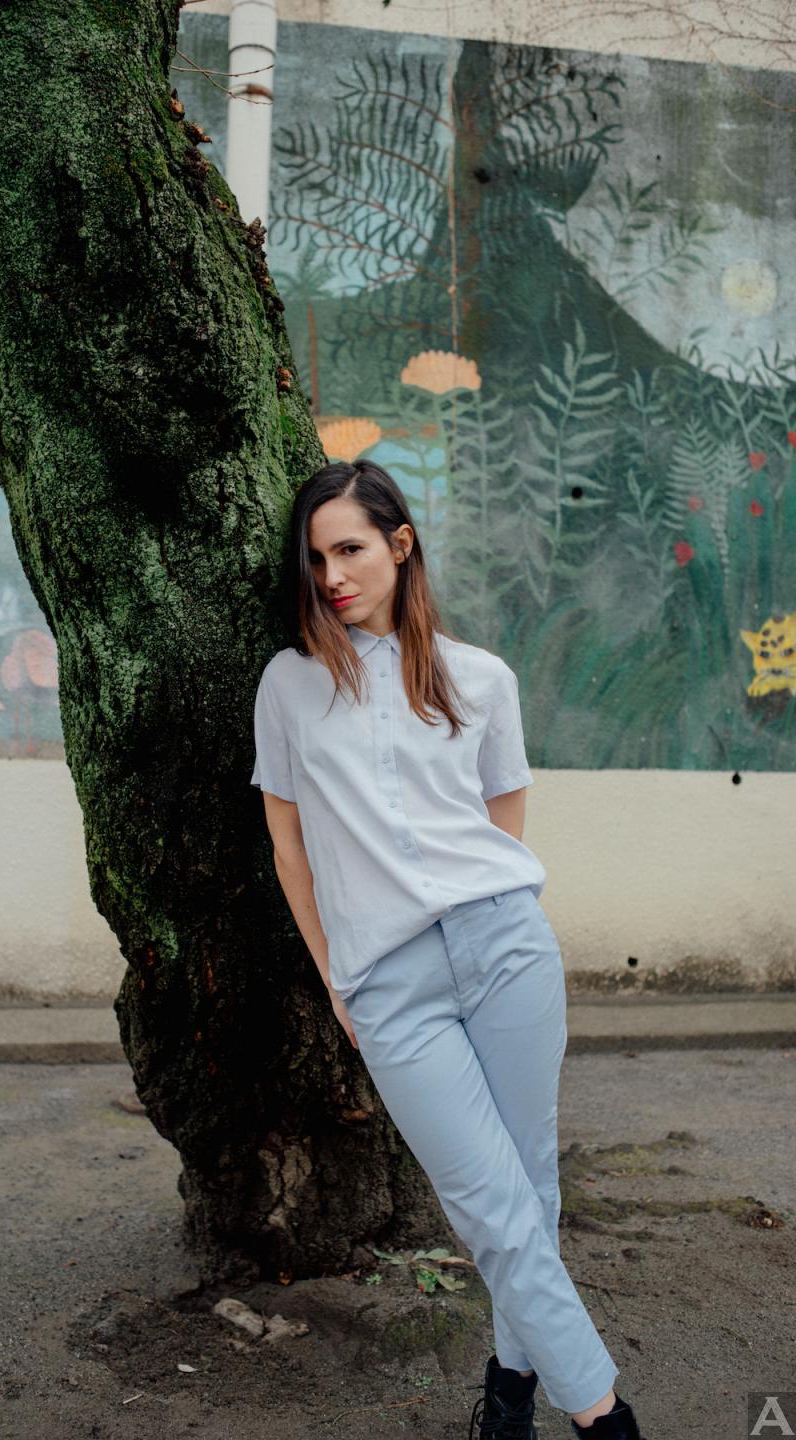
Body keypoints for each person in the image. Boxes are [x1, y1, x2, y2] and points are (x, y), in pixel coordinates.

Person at [249, 458, 645, 1440]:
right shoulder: (291, 684)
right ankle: (606, 1419)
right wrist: (335, 975)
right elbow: (289, 849)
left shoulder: (482, 677)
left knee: (530, 1191)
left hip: (504, 948)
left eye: (350, 549)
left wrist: (482, 918)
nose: (332, 575)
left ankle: (509, 1399)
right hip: (389, 983)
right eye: (316, 558)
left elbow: (503, 823)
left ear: (400, 544)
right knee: (486, 1203)